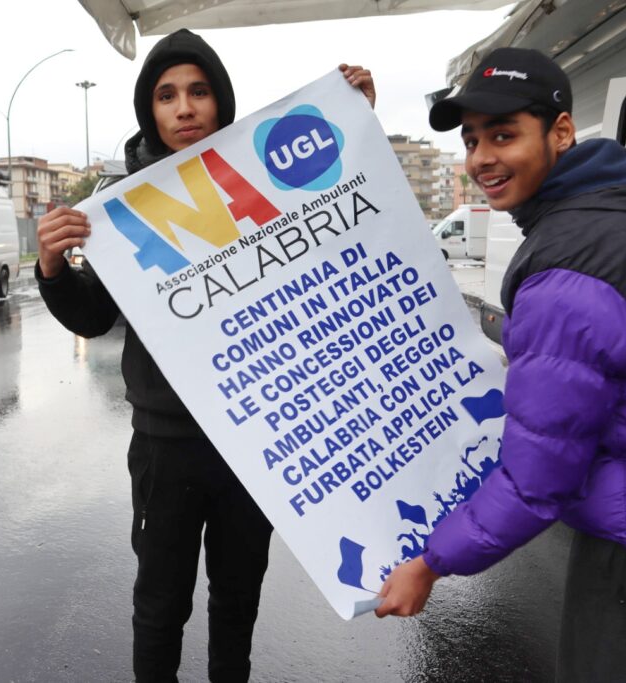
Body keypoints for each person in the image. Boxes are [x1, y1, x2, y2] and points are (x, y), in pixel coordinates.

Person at [375, 47, 626, 682]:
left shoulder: (572, 269)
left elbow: (536, 479)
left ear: (561, 132)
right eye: (471, 141)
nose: (480, 160)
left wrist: (430, 563)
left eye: (503, 135)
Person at [34, 29, 375, 682]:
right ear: (149, 111)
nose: (184, 108)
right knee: (160, 603)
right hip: (164, 445)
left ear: (220, 103)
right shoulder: (124, 207)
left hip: (254, 438)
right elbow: (94, 315)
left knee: (238, 598)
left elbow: (332, 235)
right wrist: (52, 268)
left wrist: (349, 122)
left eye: (198, 91)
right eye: (166, 95)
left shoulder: (257, 181)